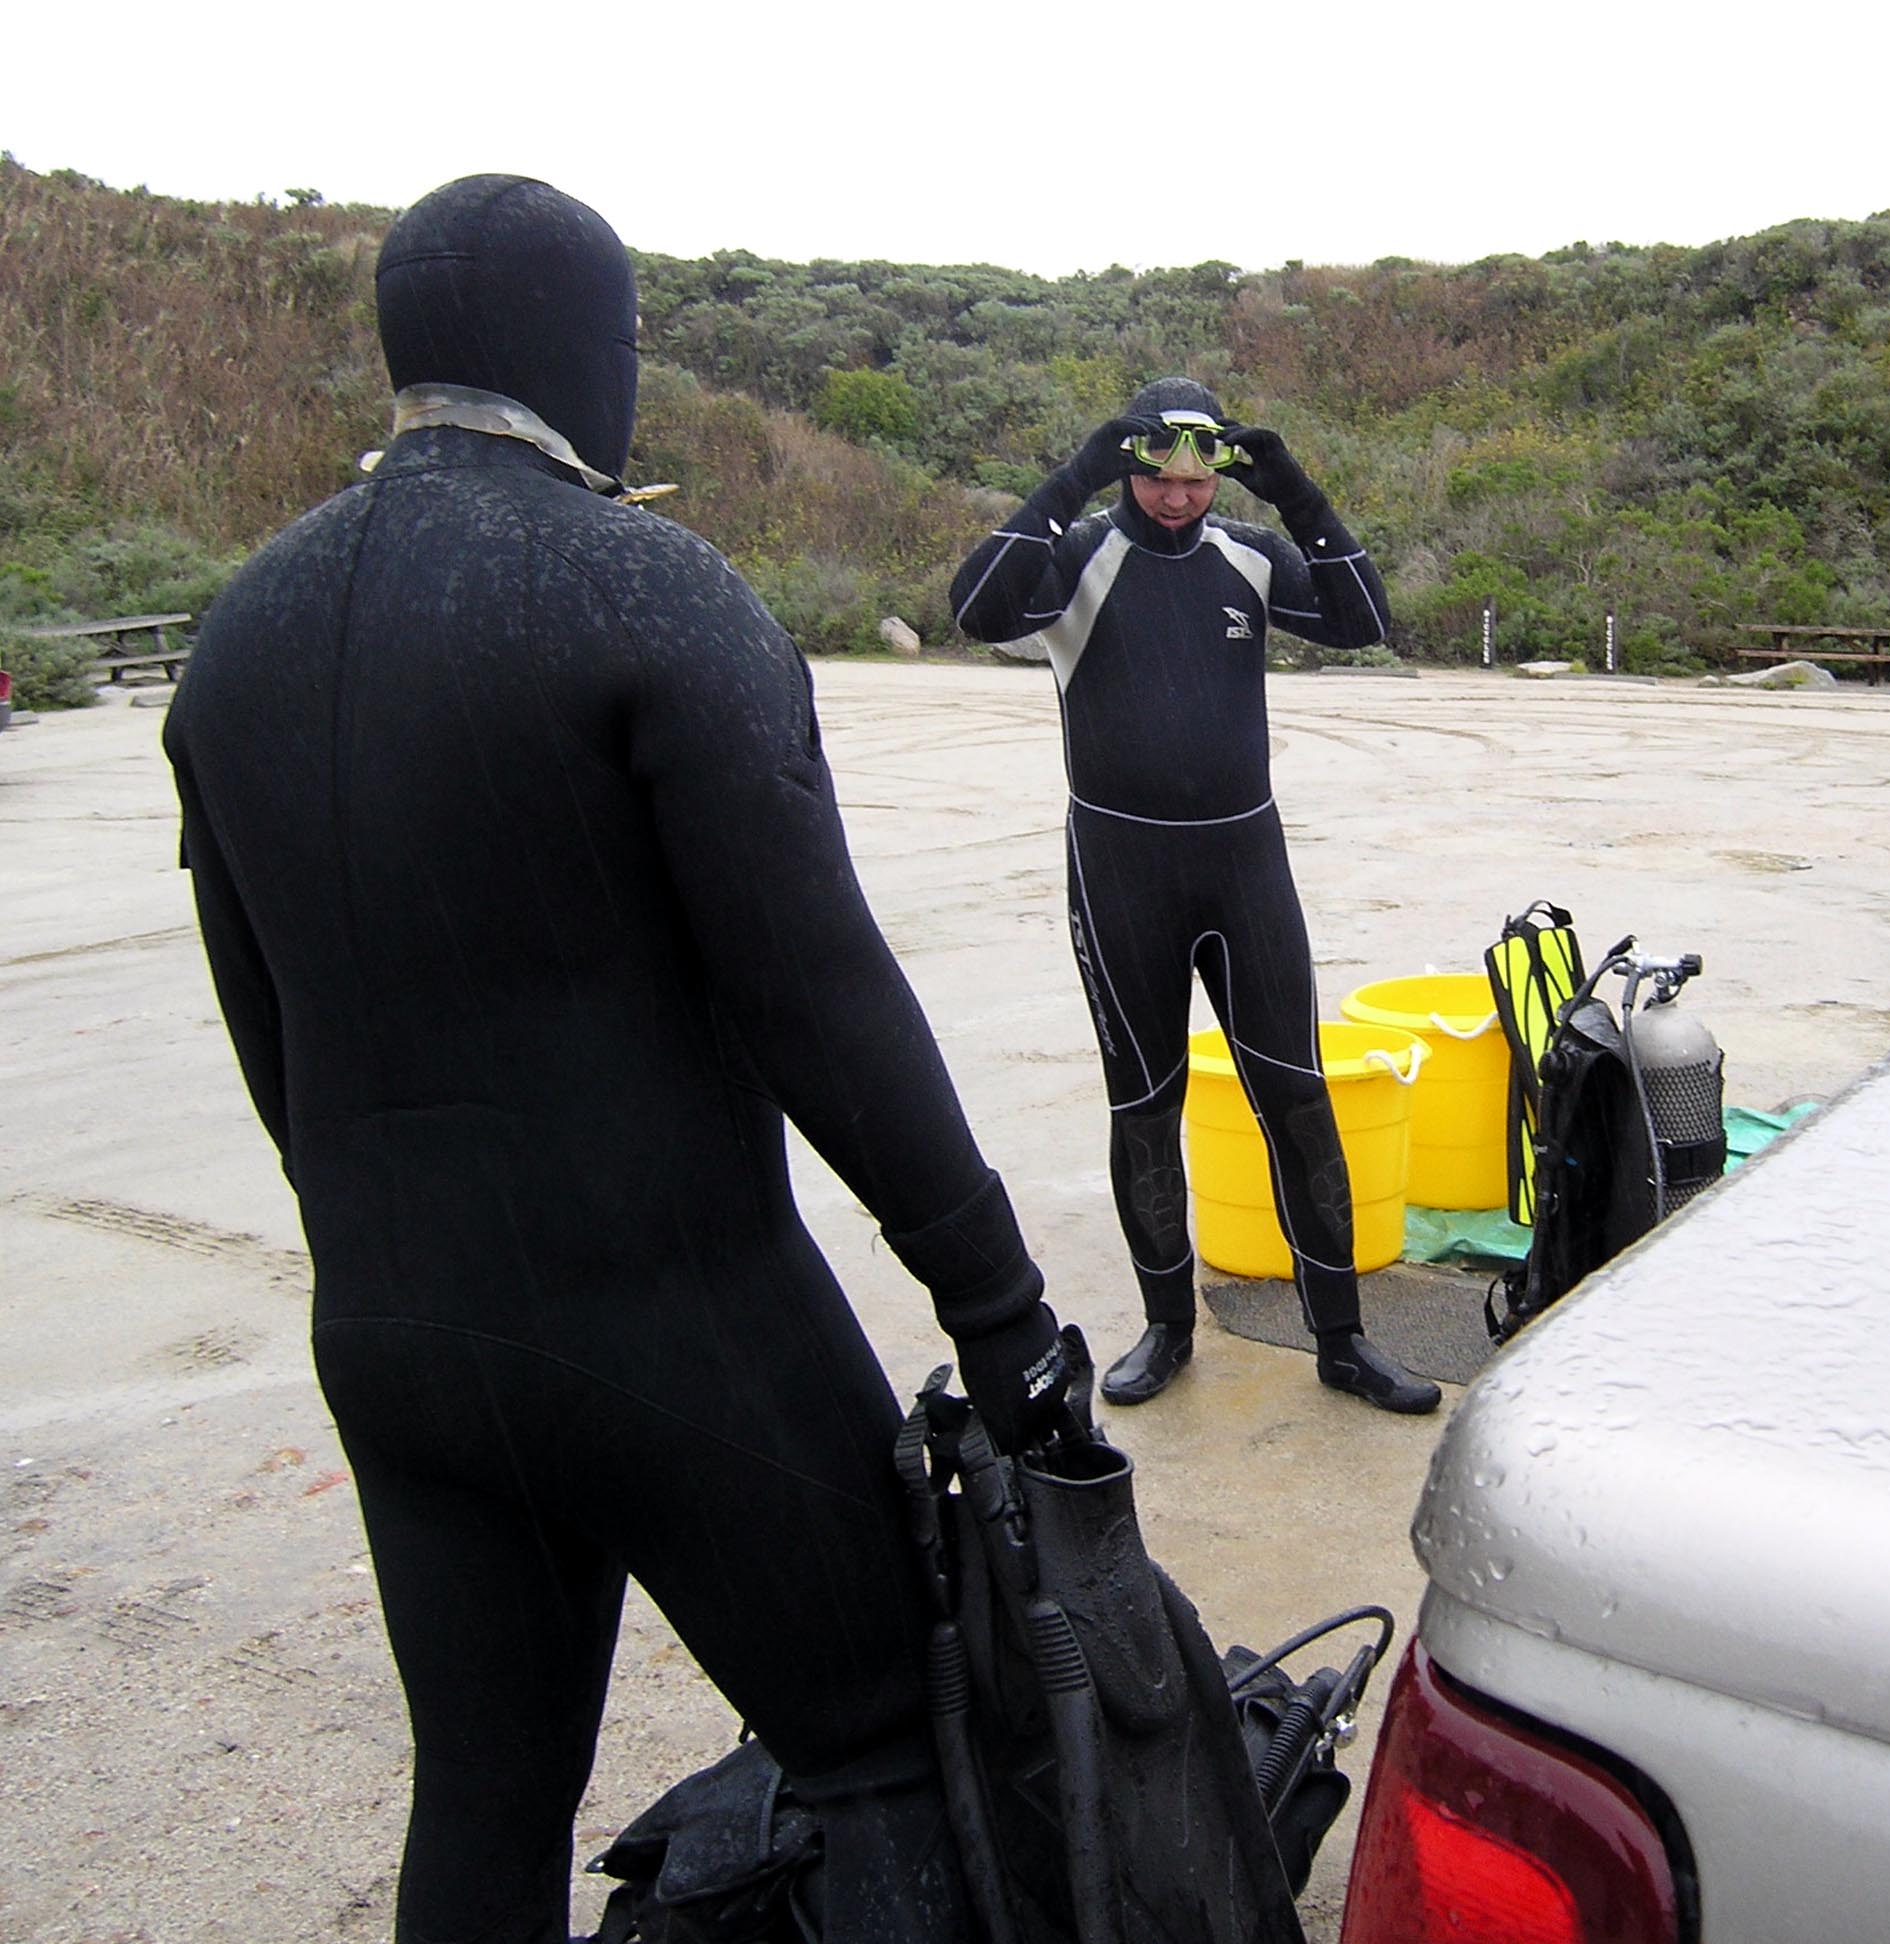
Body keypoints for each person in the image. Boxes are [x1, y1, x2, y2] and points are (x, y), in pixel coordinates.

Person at [164, 176, 1069, 1944]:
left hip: (401, 1336)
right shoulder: (645, 590)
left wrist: (415, 1236)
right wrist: (1000, 1300)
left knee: (490, 1795)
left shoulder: (235, 640)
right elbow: (824, 995)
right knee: (884, 1741)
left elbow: (271, 1045)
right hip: (669, 1309)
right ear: (589, 345)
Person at [949, 379, 1440, 1415]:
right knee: (1145, 1107)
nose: (1179, 500)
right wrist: (1078, 468)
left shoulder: (1248, 554)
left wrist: (1296, 489)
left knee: (1299, 1100)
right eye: (1157, 478)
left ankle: (1343, 1341)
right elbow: (977, 607)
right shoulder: (1082, 554)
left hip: (1243, 866)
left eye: (1197, 478)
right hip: (1121, 870)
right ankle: (1168, 1328)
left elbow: (1365, 620)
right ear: (1128, 468)